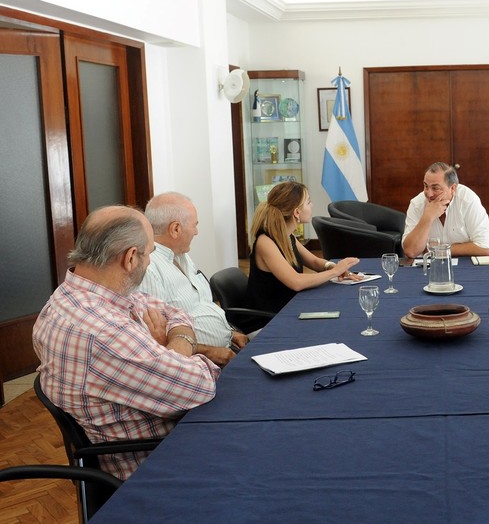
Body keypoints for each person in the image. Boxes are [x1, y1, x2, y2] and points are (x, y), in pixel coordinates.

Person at [32, 205, 220, 480]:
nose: (149, 262)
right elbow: (202, 384)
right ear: (131, 257)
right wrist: (172, 350)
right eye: (149, 254)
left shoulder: (74, 295)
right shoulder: (105, 332)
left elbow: (174, 312)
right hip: (160, 467)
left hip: (156, 442)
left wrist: (174, 346)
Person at [139, 192, 249, 367]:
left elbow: (203, 303)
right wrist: (211, 351)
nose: (196, 232)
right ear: (175, 229)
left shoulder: (182, 256)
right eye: (194, 225)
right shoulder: (150, 269)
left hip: (228, 346)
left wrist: (230, 333)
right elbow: (159, 340)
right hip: (203, 363)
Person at [246, 181, 360, 312]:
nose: (312, 205)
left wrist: (332, 266)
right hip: (272, 317)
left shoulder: (288, 236)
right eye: (308, 202)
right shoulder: (265, 242)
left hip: (289, 306)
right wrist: (335, 272)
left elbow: (314, 261)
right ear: (297, 212)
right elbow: (296, 282)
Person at [402, 162, 489, 258]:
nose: (429, 194)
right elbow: (410, 251)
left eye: (435, 188)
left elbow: (486, 247)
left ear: (453, 188)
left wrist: (440, 250)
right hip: (432, 265)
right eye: (426, 186)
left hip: (468, 263)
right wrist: (427, 218)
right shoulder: (417, 204)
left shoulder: (467, 199)